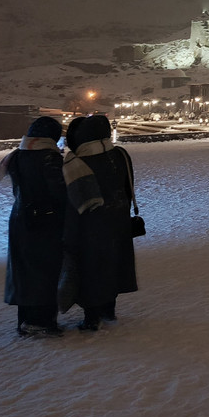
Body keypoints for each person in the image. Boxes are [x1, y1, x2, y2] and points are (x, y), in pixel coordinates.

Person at [61, 115, 138, 331]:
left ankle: (91, 317)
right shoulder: (120, 154)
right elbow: (128, 186)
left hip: (89, 224)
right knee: (113, 263)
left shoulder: (77, 162)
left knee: (90, 267)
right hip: (118, 219)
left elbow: (73, 198)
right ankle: (108, 309)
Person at [0, 116, 67, 337]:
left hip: (20, 218)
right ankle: (41, 322)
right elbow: (59, 192)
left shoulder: (17, 155)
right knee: (45, 270)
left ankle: (26, 320)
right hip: (45, 222)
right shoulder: (49, 158)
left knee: (25, 271)